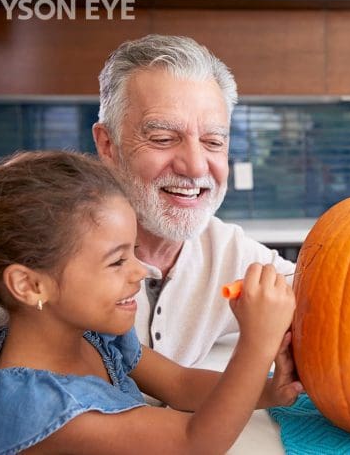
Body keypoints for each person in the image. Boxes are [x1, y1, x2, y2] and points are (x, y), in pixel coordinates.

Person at [0, 151, 301, 453]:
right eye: (117, 261)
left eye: (135, 252)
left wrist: (267, 391)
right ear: (29, 285)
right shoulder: (35, 405)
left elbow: (180, 384)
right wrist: (257, 342)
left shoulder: (92, 336)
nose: (142, 271)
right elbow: (193, 442)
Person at [91, 34, 298, 367]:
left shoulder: (230, 253)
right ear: (107, 145)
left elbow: (338, 294)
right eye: (162, 138)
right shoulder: (59, 254)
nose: (196, 166)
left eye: (213, 142)